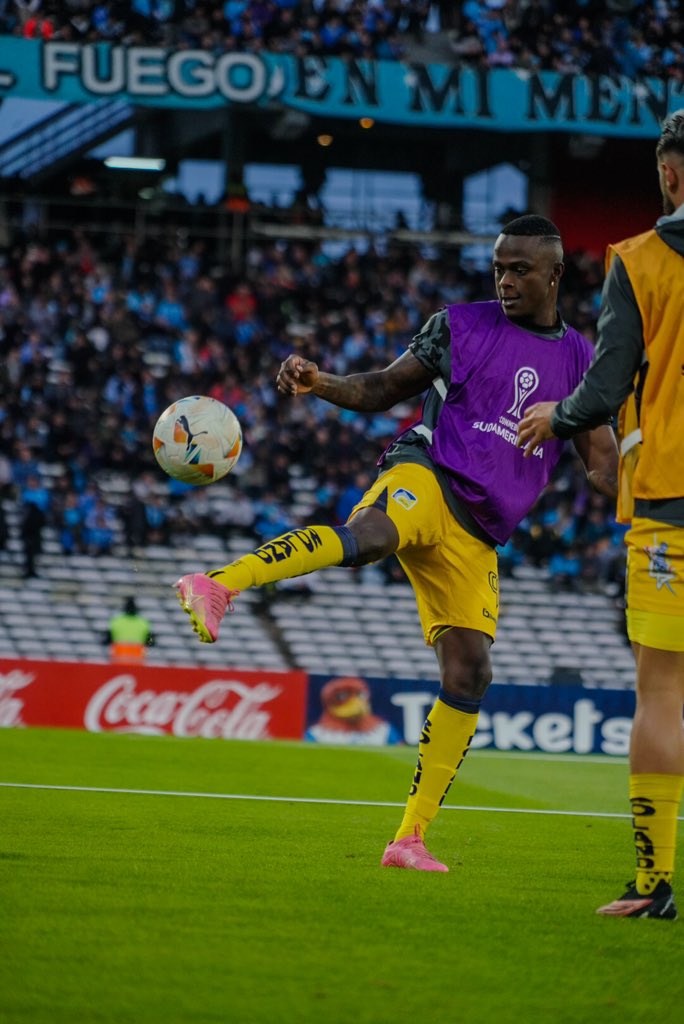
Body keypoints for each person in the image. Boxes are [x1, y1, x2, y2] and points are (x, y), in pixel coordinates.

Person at [175, 215, 618, 872]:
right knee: (375, 535)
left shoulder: (583, 360)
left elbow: (603, 464)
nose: (505, 279)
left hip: (480, 531)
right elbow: (382, 388)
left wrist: (652, 484)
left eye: (520, 268)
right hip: (430, 470)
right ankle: (219, 583)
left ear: (555, 273)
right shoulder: (460, 326)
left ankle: (409, 839)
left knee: (471, 669)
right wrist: (320, 382)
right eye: (499, 266)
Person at [516, 111, 684, 919]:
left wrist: (559, 415)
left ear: (670, 173)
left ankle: (653, 887)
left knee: (663, 696)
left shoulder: (641, 261)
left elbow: (607, 383)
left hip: (672, 506)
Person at [105, 597, 154, 664]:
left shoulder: (116, 621)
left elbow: (107, 639)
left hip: (119, 658)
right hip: (137, 659)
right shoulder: (143, 622)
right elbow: (150, 642)